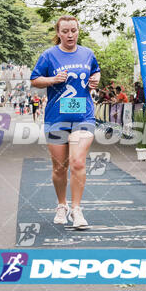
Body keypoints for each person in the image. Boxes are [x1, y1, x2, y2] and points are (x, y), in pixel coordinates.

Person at [30, 15, 100, 229]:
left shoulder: (88, 54)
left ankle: (77, 210)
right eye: (65, 31)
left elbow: (95, 70)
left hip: (83, 116)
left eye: (73, 30)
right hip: (56, 118)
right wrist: (52, 80)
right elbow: (34, 79)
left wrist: (96, 80)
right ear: (58, 33)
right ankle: (62, 205)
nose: (70, 35)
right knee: (60, 167)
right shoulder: (49, 56)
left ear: (78, 31)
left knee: (78, 161)